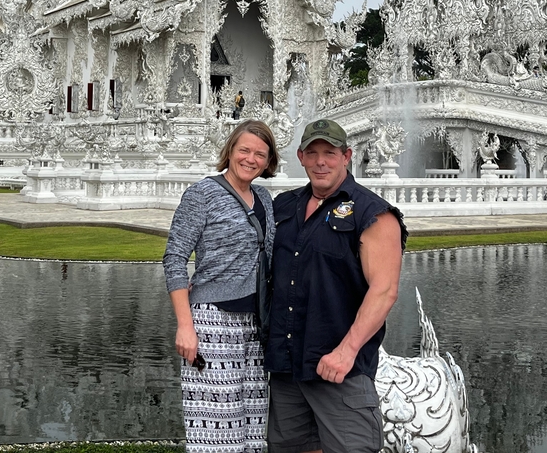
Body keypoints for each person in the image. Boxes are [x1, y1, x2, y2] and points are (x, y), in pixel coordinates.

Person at [265, 118, 407, 453]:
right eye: (312, 153)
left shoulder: (372, 213)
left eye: (329, 152)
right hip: (288, 368)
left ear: (347, 156)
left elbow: (385, 291)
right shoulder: (284, 207)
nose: (320, 162)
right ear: (300, 156)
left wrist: (345, 352)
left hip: (339, 368)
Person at [163, 119, 279, 452]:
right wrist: (185, 326)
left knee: (252, 426)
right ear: (230, 151)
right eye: (244, 150)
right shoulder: (203, 194)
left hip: (255, 325)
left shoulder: (264, 199)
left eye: (260, 153)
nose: (250, 159)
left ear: (268, 161)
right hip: (211, 322)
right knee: (215, 427)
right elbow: (174, 259)